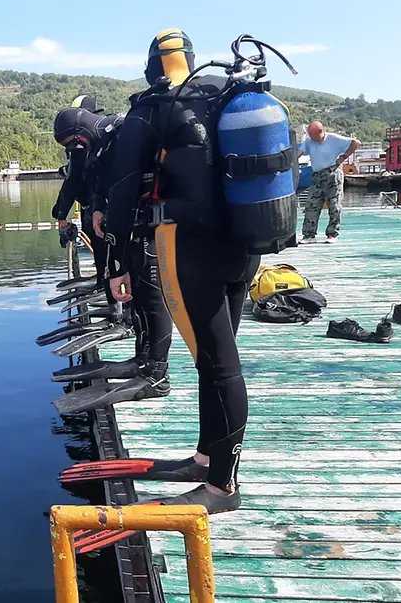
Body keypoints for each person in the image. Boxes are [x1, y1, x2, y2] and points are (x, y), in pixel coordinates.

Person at [100, 28, 260, 513]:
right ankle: (207, 459)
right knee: (215, 360)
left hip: (190, 248)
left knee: (218, 364)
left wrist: (118, 265)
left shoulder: (152, 109)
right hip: (243, 245)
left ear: (152, 64)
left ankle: (221, 489)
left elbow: (123, 191)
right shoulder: (228, 93)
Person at [54, 102, 173, 386]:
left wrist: (113, 228)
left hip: (153, 224)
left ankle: (157, 373)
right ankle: (143, 359)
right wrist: (97, 207)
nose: (74, 149)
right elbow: (99, 181)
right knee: (141, 293)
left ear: (80, 130)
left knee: (152, 297)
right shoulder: (102, 143)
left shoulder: (123, 133)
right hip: (134, 224)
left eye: (72, 142)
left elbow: (124, 186)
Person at [52, 96, 123, 310]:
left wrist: (61, 213)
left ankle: (117, 301)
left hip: (102, 203)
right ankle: (105, 285)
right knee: (104, 247)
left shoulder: (104, 139)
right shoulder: (97, 140)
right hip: (97, 203)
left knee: (109, 248)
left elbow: (73, 180)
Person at [298, 121, 360, 242]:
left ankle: (332, 234)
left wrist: (343, 157)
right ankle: (309, 235)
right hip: (316, 175)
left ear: (320, 132)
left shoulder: (334, 139)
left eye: (311, 134)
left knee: (334, 204)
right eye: (309, 133)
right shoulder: (309, 142)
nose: (309, 136)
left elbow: (355, 143)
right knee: (311, 204)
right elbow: (299, 153)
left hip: (332, 173)